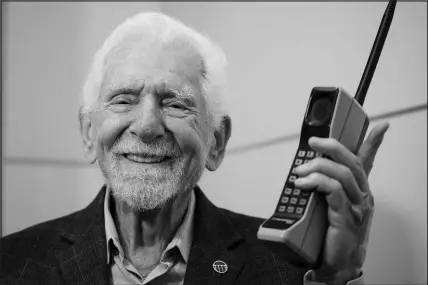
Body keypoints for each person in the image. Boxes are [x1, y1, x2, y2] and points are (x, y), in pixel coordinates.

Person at [0, 12, 389, 285]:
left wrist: (337, 277)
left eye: (175, 102)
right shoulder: (11, 264)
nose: (148, 125)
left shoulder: (287, 272)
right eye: (123, 99)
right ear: (88, 133)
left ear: (216, 142)